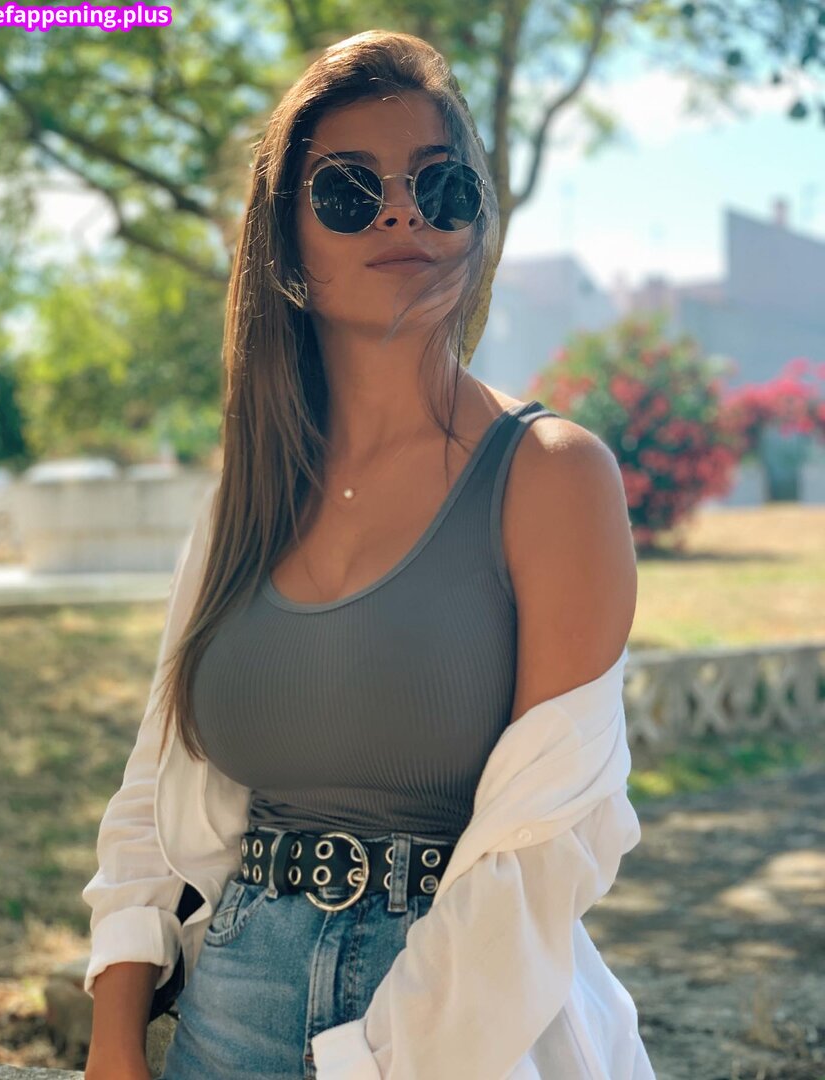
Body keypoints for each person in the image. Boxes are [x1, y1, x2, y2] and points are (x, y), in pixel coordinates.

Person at [82, 28, 655, 1080]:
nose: (403, 213)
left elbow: (546, 850)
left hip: (461, 1033)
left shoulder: (554, 477)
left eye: (441, 186)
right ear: (285, 246)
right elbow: (154, 787)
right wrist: (116, 1035)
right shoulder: (247, 498)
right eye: (349, 190)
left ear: (479, 222)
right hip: (227, 1014)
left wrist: (373, 1062)